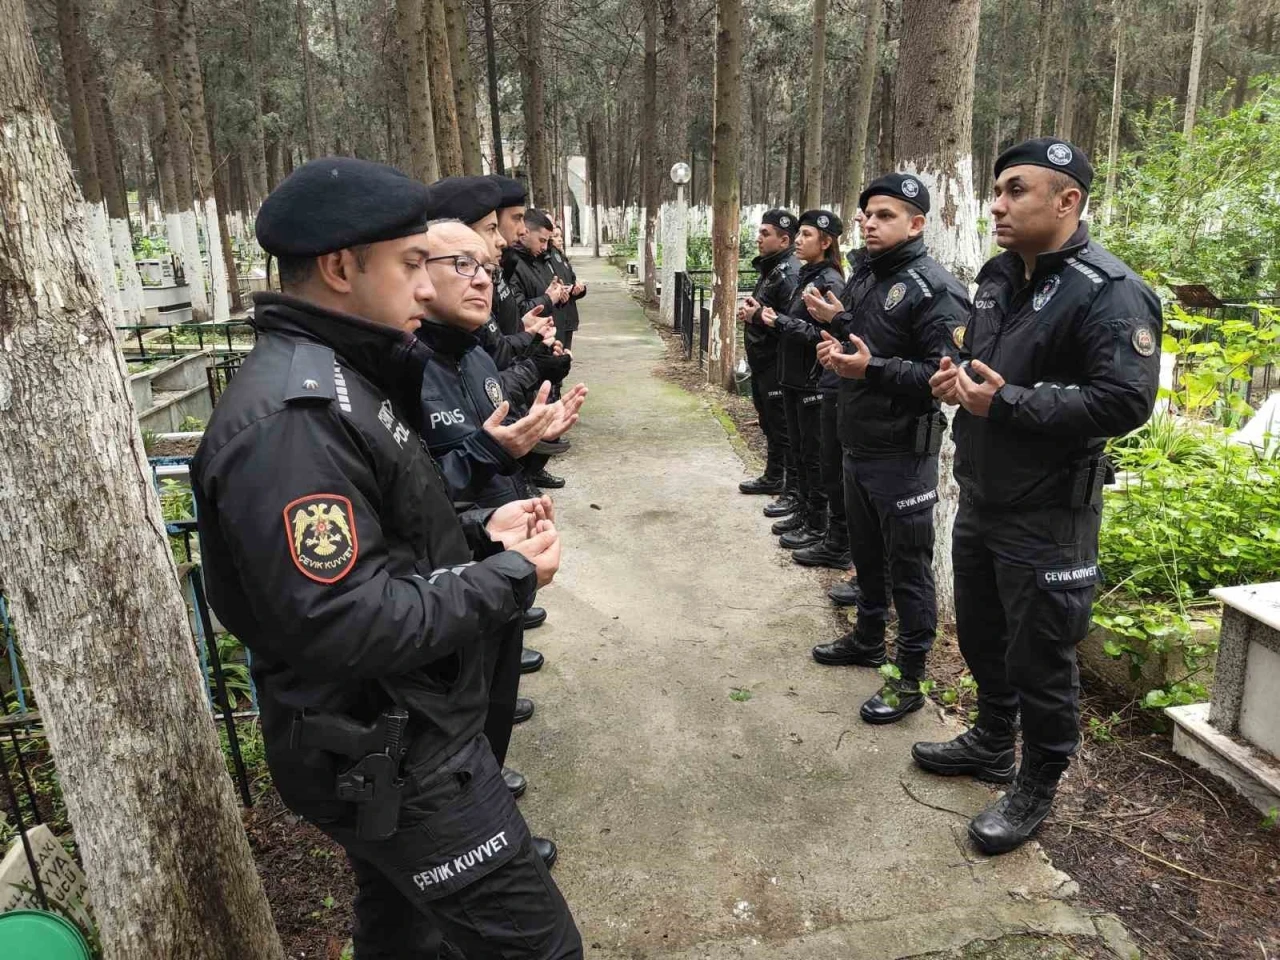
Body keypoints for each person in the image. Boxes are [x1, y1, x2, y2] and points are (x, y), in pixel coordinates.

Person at [191, 157, 582, 958]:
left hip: (393, 725)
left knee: (406, 934)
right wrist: (506, 577)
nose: (423, 289)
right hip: (393, 750)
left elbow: (383, 538)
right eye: (411, 265)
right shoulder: (296, 418)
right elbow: (341, 619)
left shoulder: (348, 379)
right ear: (340, 267)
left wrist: (477, 535)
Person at [917, 138, 1161, 854]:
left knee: (1043, 655)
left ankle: (1037, 781)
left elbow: (1124, 402)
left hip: (1051, 513)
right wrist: (953, 375)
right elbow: (978, 358)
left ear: (1067, 201)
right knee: (986, 634)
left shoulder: (1109, 290)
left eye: (1015, 190)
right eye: (995, 190)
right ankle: (993, 737)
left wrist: (1008, 404)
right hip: (984, 496)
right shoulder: (996, 276)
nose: (996, 204)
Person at [806, 174, 970, 725]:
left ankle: (908, 678)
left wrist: (869, 367)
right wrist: (838, 337)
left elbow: (944, 373)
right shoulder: (866, 277)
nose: (869, 223)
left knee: (909, 570)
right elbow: (872, 338)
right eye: (866, 214)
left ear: (917, 224)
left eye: (885, 215)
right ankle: (868, 639)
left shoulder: (935, 288)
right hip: (860, 443)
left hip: (904, 454)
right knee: (868, 560)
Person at [759, 210, 845, 551]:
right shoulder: (806, 276)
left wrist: (779, 323)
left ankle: (817, 524)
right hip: (794, 377)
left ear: (825, 243)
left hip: (813, 381)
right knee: (799, 450)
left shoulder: (830, 282)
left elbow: (822, 333)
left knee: (813, 455)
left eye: (806, 235)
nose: (798, 240)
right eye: (799, 234)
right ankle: (804, 512)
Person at [737, 209, 799, 505]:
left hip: (778, 362)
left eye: (765, 234)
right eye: (759, 232)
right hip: (762, 361)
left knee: (782, 425)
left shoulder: (789, 273)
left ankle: (788, 484)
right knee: (768, 421)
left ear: (784, 239)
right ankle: (774, 475)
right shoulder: (772, 269)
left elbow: (788, 321)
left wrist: (758, 317)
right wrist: (752, 313)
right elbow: (767, 311)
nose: (758, 238)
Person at [547, 217, 587, 351]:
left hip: (568, 315)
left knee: (566, 354)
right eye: (555, 236)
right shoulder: (547, 258)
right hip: (557, 317)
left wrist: (579, 289)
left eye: (560, 236)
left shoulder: (561, 257)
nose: (560, 239)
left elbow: (572, 279)